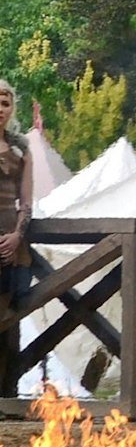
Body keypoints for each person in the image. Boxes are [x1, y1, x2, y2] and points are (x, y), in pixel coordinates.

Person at [0, 81, 32, 300]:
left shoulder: (20, 149)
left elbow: (26, 202)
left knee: (9, 310)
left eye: (5, 103)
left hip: (8, 244)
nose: (0, 109)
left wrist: (17, 236)